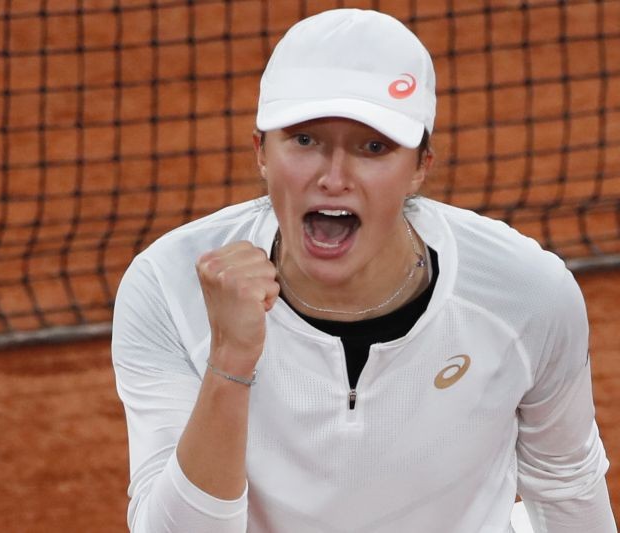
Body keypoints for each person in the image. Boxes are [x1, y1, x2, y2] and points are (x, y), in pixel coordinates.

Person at [111, 8, 616, 533]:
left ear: (421, 166)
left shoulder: (525, 293)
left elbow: (566, 484)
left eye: (373, 147)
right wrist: (229, 363)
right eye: (305, 140)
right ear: (261, 151)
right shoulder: (168, 287)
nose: (334, 177)